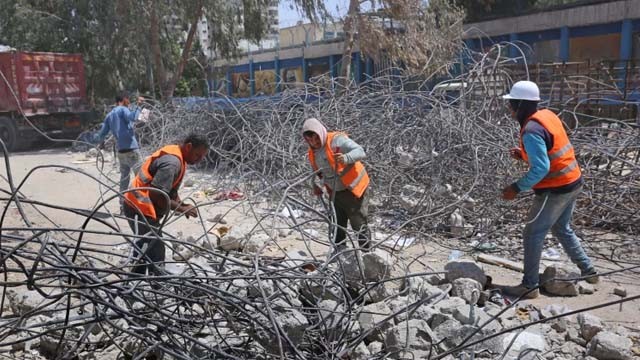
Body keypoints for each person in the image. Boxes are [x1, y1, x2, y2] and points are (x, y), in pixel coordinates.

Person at [500, 80, 598, 299]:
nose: (509, 108)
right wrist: (525, 154)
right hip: (573, 180)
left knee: (532, 233)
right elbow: (551, 148)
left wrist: (516, 187)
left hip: (556, 189)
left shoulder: (531, 130)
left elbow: (542, 167)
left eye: (512, 103)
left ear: (520, 105)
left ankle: (529, 286)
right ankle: (589, 271)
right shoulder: (547, 116)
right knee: (561, 228)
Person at [123, 134, 209, 275]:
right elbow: (158, 195)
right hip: (139, 207)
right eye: (197, 155)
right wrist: (181, 209)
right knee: (155, 248)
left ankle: (134, 281)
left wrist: (182, 204)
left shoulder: (177, 155)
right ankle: (158, 286)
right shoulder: (172, 163)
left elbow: (169, 190)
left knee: (143, 247)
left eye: (202, 157)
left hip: (137, 205)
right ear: (188, 147)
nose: (199, 160)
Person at [302, 118, 371, 251]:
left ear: (320, 133)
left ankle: (366, 254)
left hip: (353, 190)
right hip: (335, 192)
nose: (314, 143)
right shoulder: (312, 152)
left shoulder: (336, 140)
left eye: (316, 139)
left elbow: (360, 151)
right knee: (337, 224)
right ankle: (340, 253)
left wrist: (346, 158)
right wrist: (315, 185)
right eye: (310, 141)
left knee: (358, 223)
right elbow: (316, 171)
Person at [94, 92, 144, 210]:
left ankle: (123, 205)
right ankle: (142, 204)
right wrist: (139, 105)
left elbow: (102, 134)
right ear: (123, 100)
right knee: (141, 177)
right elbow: (134, 117)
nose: (129, 102)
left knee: (124, 178)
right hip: (132, 149)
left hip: (121, 151)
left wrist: (96, 141)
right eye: (128, 100)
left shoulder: (109, 115)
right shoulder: (122, 109)